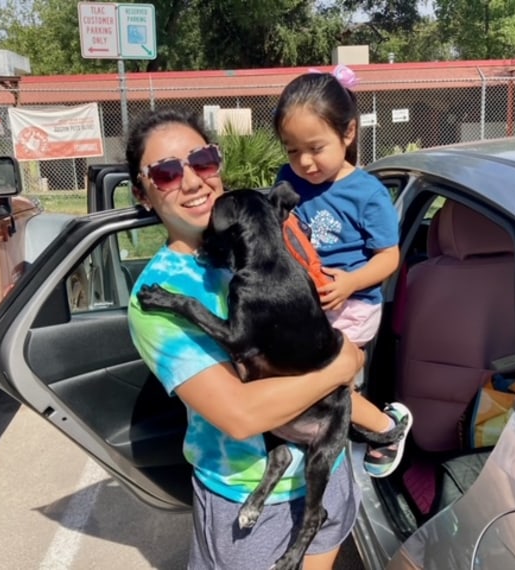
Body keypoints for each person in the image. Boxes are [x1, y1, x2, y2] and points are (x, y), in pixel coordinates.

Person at [125, 107, 368, 570]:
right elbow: (241, 416)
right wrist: (343, 365)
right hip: (250, 496)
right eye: (167, 172)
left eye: (202, 160)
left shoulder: (259, 239)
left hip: (326, 469)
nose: (193, 181)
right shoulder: (159, 297)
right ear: (143, 194)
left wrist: (373, 420)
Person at [274, 66, 413, 478]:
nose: (304, 162)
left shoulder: (366, 192)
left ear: (348, 134)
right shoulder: (289, 180)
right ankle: (334, 431)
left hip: (354, 304)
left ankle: (389, 429)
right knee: (313, 381)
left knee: (327, 384)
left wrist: (350, 281)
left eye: (315, 147)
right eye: (291, 150)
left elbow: (389, 257)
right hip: (309, 304)